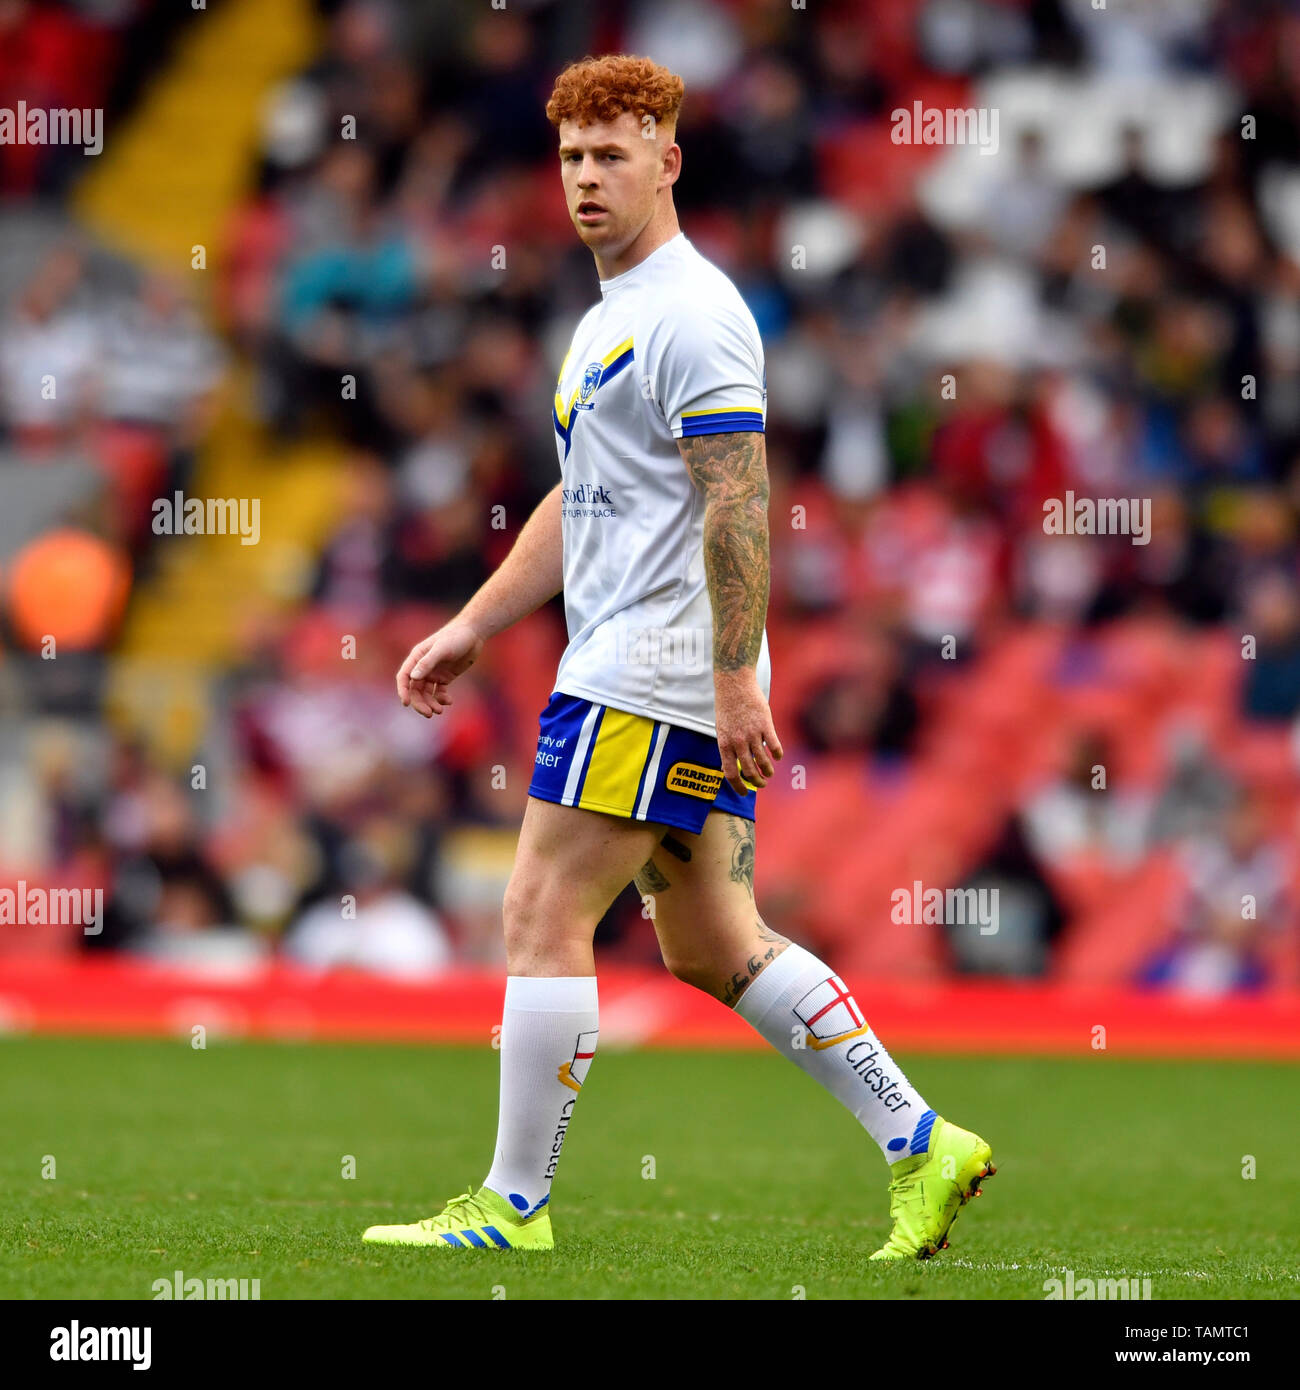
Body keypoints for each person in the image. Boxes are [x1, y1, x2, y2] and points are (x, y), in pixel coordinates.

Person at [364, 54, 994, 1260]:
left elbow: (739, 503)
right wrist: (473, 622)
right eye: (571, 157)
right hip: (637, 660)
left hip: (649, 670)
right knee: (711, 938)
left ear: (669, 160)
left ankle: (511, 1205)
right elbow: (582, 496)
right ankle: (923, 1141)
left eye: (613, 153)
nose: (587, 178)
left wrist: (731, 676)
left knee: (540, 905)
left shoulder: (695, 314)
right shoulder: (609, 320)